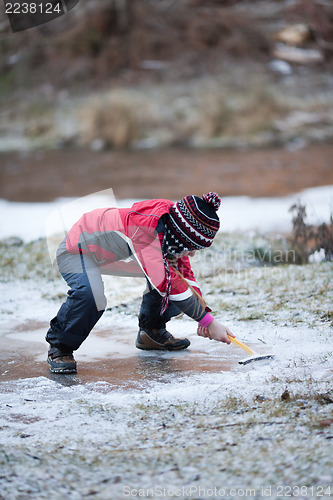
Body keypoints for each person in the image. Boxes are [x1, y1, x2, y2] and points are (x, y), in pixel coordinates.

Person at [46, 192, 235, 374]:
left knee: (173, 280)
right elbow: (166, 282)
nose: (192, 254)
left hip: (111, 255)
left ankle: (151, 333)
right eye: (192, 248)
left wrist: (206, 316)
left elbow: (184, 277)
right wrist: (209, 323)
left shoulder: (171, 228)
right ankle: (60, 347)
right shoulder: (146, 229)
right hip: (76, 250)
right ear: (181, 237)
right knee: (91, 295)